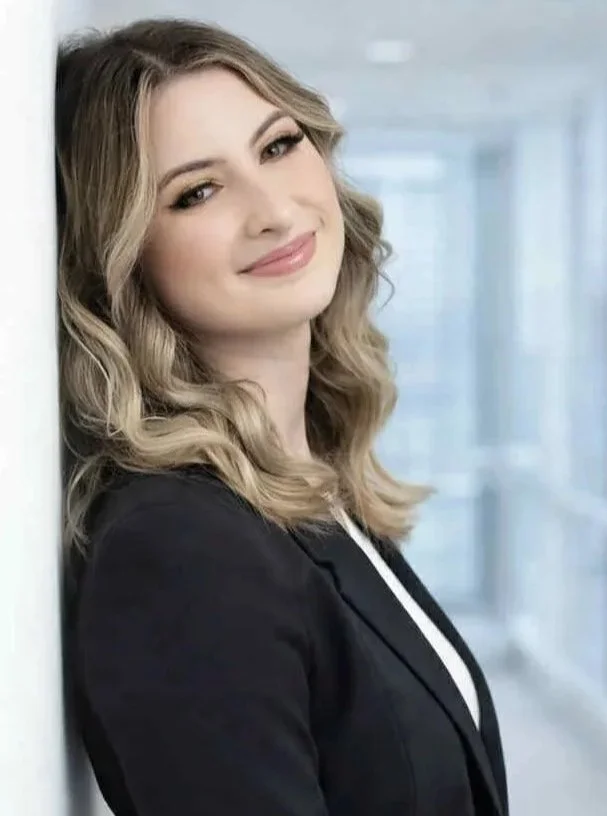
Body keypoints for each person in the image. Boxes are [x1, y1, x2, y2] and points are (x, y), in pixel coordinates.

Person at [57, 17, 509, 816]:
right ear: (124, 257)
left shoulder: (306, 482)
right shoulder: (179, 549)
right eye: (196, 192)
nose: (272, 210)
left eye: (277, 146)